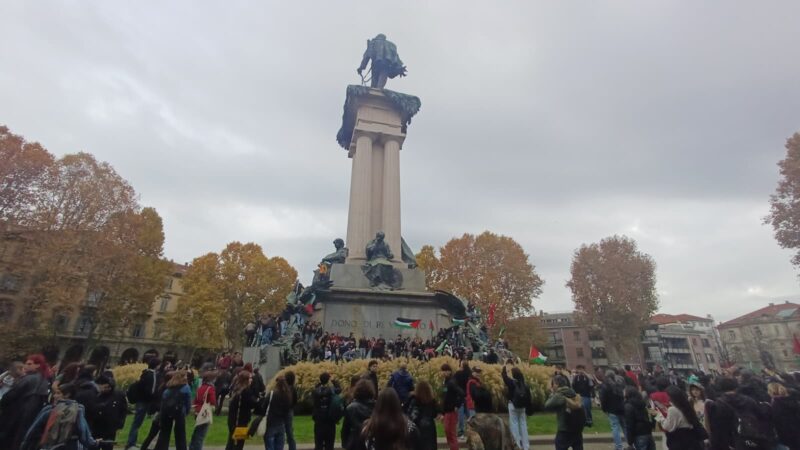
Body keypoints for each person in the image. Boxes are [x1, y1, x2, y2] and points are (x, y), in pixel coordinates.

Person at [21, 382, 99, 450]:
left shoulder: (49, 409)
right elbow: (83, 432)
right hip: (68, 446)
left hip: (48, 445)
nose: (55, 396)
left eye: (58, 393)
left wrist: (25, 444)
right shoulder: (78, 410)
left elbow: (33, 430)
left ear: (67, 394)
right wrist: (94, 443)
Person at [0, 353, 52, 450]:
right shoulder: (44, 381)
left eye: (29, 364)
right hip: (29, 418)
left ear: (37, 365)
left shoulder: (28, 379)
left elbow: (10, 396)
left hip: (15, 415)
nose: (25, 366)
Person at [706, 377, 774, 450]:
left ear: (720, 387)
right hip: (753, 438)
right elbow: (760, 416)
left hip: (732, 442)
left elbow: (717, 429)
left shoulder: (718, 405)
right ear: (736, 386)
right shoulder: (748, 400)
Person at [464, 385, 518, 450]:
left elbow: (476, 447)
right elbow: (513, 445)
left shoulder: (472, 424)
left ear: (474, 403)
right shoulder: (500, 422)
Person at [653, 385, 706, 450]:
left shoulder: (672, 409)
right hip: (692, 441)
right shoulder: (685, 405)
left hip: (680, 442)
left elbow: (667, 427)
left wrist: (659, 415)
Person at [125, 357, 161, 450]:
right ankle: (131, 442)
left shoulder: (145, 373)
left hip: (141, 400)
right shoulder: (151, 375)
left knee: (136, 422)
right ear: (157, 365)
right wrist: (153, 398)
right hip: (144, 401)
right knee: (137, 423)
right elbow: (151, 390)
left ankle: (131, 441)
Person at [544, 374, 585, 450]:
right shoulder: (572, 392)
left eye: (553, 384)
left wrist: (552, 393)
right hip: (576, 428)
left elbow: (547, 405)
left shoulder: (559, 395)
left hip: (564, 428)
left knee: (560, 446)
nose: (552, 386)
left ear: (557, 384)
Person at [154, 370, 192, 450]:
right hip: (180, 412)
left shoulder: (168, 388)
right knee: (180, 435)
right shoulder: (186, 388)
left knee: (164, 434)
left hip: (166, 412)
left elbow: (163, 403)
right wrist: (187, 412)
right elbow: (188, 402)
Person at [256, 375, 292, 450]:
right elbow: (288, 410)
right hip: (281, 423)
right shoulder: (288, 395)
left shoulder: (272, 394)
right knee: (279, 446)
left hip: (270, 423)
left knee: (270, 447)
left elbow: (264, 407)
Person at [93, 375, 129, 450]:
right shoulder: (97, 394)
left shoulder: (119, 395)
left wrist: (120, 424)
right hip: (97, 426)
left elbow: (123, 410)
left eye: (107, 387)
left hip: (110, 427)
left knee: (108, 446)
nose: (104, 389)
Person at [225, 371, 258, 450]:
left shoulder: (237, 389)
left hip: (233, 421)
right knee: (238, 444)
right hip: (240, 422)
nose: (251, 380)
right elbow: (253, 403)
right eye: (250, 378)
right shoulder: (246, 391)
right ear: (245, 380)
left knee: (231, 442)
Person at [341, 379, 376, 450]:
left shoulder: (351, 408)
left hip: (355, 443)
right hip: (371, 443)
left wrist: (346, 444)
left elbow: (345, 430)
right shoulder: (377, 406)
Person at [502, 363, 530, 450]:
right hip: (522, 407)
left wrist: (504, 367)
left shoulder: (511, 382)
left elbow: (504, 376)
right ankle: (526, 446)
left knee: (514, 425)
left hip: (513, 405)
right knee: (523, 425)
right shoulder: (524, 384)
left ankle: (517, 445)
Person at [189, 366, 217, 450]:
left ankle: (192, 447)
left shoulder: (200, 388)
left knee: (197, 431)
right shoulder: (210, 388)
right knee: (201, 434)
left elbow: (195, 400)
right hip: (205, 412)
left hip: (198, 411)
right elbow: (213, 401)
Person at [312, 372, 341, 450]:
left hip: (319, 419)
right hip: (329, 418)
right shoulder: (332, 391)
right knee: (330, 443)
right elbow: (339, 389)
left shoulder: (315, 391)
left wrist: (320, 383)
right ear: (328, 380)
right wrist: (334, 381)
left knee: (318, 443)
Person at [599, 370, 626, 450]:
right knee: (625, 427)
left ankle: (619, 446)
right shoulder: (620, 383)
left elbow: (603, 399)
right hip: (621, 408)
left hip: (611, 409)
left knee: (615, 428)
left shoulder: (605, 385)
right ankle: (630, 443)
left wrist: (604, 409)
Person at [407, 381, 438, 450]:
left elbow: (410, 415)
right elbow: (435, 414)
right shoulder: (432, 401)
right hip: (430, 428)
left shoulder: (414, 400)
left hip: (417, 428)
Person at [768, 382, 800, 450]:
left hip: (787, 432)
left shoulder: (776, 403)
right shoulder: (792, 398)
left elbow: (778, 420)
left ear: (771, 392)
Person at [440, 363, 463, 450]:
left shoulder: (451, 383)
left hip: (451, 411)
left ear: (449, 371)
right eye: (442, 371)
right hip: (446, 411)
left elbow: (461, 394)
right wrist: (442, 412)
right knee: (447, 432)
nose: (443, 373)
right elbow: (445, 397)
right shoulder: (445, 382)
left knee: (451, 432)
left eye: (445, 371)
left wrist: (457, 405)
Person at [454, 361, 472, 438]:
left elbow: (453, 383)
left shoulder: (458, 374)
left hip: (460, 396)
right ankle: (471, 430)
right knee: (469, 415)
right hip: (468, 396)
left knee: (460, 415)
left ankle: (461, 431)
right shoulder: (470, 374)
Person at [284, 370, 299, 450]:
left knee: (282, 431)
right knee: (289, 432)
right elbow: (295, 401)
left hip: (283, 411)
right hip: (289, 411)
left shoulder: (283, 389)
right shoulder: (293, 389)